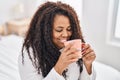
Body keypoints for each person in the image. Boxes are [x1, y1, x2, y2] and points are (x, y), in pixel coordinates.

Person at [18, 1, 96, 80]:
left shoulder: (74, 46)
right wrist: (59, 67)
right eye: (59, 30)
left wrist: (88, 65)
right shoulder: (30, 55)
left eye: (69, 29)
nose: (65, 34)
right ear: (45, 31)